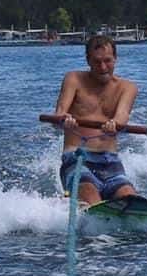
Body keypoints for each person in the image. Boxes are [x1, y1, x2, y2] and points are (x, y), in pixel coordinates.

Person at [52, 34, 139, 207]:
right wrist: (63, 119)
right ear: (88, 60)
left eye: (108, 60)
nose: (103, 67)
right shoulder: (73, 79)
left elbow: (122, 115)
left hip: (110, 161)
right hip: (76, 159)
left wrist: (115, 124)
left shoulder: (128, 87)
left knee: (129, 198)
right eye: (97, 61)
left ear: (115, 59)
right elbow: (59, 114)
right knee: (91, 196)